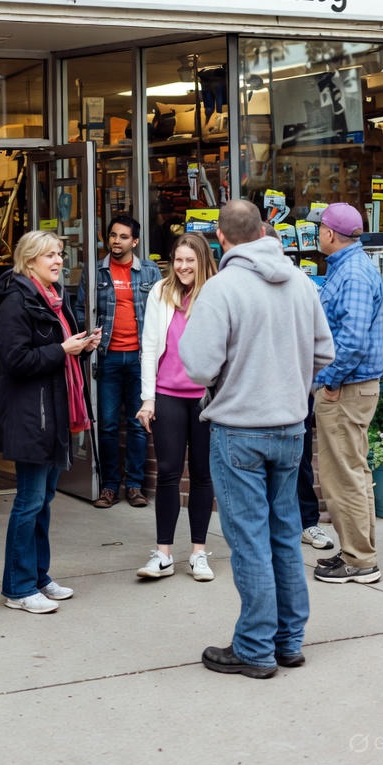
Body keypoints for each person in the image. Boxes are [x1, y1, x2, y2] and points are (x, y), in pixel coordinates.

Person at [179, 199, 334, 678]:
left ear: (220, 239)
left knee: (248, 542)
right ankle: (288, 641)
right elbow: (324, 354)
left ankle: (254, 647)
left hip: (239, 430)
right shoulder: (302, 283)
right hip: (289, 427)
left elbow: (199, 366)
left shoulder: (222, 288)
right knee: (284, 535)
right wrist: (288, 385)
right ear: (265, 229)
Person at [0, 230, 101, 614]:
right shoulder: (15, 300)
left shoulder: (55, 298)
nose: (58, 261)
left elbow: (60, 356)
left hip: (55, 411)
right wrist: (62, 349)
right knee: (30, 501)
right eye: (49, 255)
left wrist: (81, 348)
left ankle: (38, 576)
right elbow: (16, 361)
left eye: (60, 254)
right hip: (30, 414)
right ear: (30, 260)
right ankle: (17, 588)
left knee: (45, 500)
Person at [135, 233, 218, 582]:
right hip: (167, 395)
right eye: (178, 260)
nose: (183, 267)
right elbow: (150, 347)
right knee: (168, 472)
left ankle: (198, 553)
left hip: (206, 398)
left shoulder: (216, 293)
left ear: (202, 260)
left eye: (190, 260)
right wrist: (147, 398)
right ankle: (164, 553)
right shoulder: (159, 292)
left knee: (202, 474)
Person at [312, 203, 383, 585]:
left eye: (318, 228)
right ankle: (360, 554)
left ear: (329, 234)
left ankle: (360, 562)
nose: (315, 234)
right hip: (352, 387)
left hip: (347, 388)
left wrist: (330, 380)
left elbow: (352, 341)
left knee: (343, 477)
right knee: (352, 473)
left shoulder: (353, 273)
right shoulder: (350, 268)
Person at [74, 214, 160, 509]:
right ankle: (110, 486)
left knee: (137, 425)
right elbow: (82, 308)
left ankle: (134, 486)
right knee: (108, 424)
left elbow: (161, 312)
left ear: (135, 241)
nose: (116, 241)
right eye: (113, 236)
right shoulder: (95, 271)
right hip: (107, 357)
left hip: (140, 358)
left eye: (124, 237)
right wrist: (90, 341)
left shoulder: (150, 272)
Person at [264, 225, 335, 553]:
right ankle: (265, 528)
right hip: (256, 393)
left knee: (300, 460)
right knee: (259, 464)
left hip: (294, 392)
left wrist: (308, 383)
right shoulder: (238, 287)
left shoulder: (303, 285)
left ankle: (308, 523)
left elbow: (321, 344)